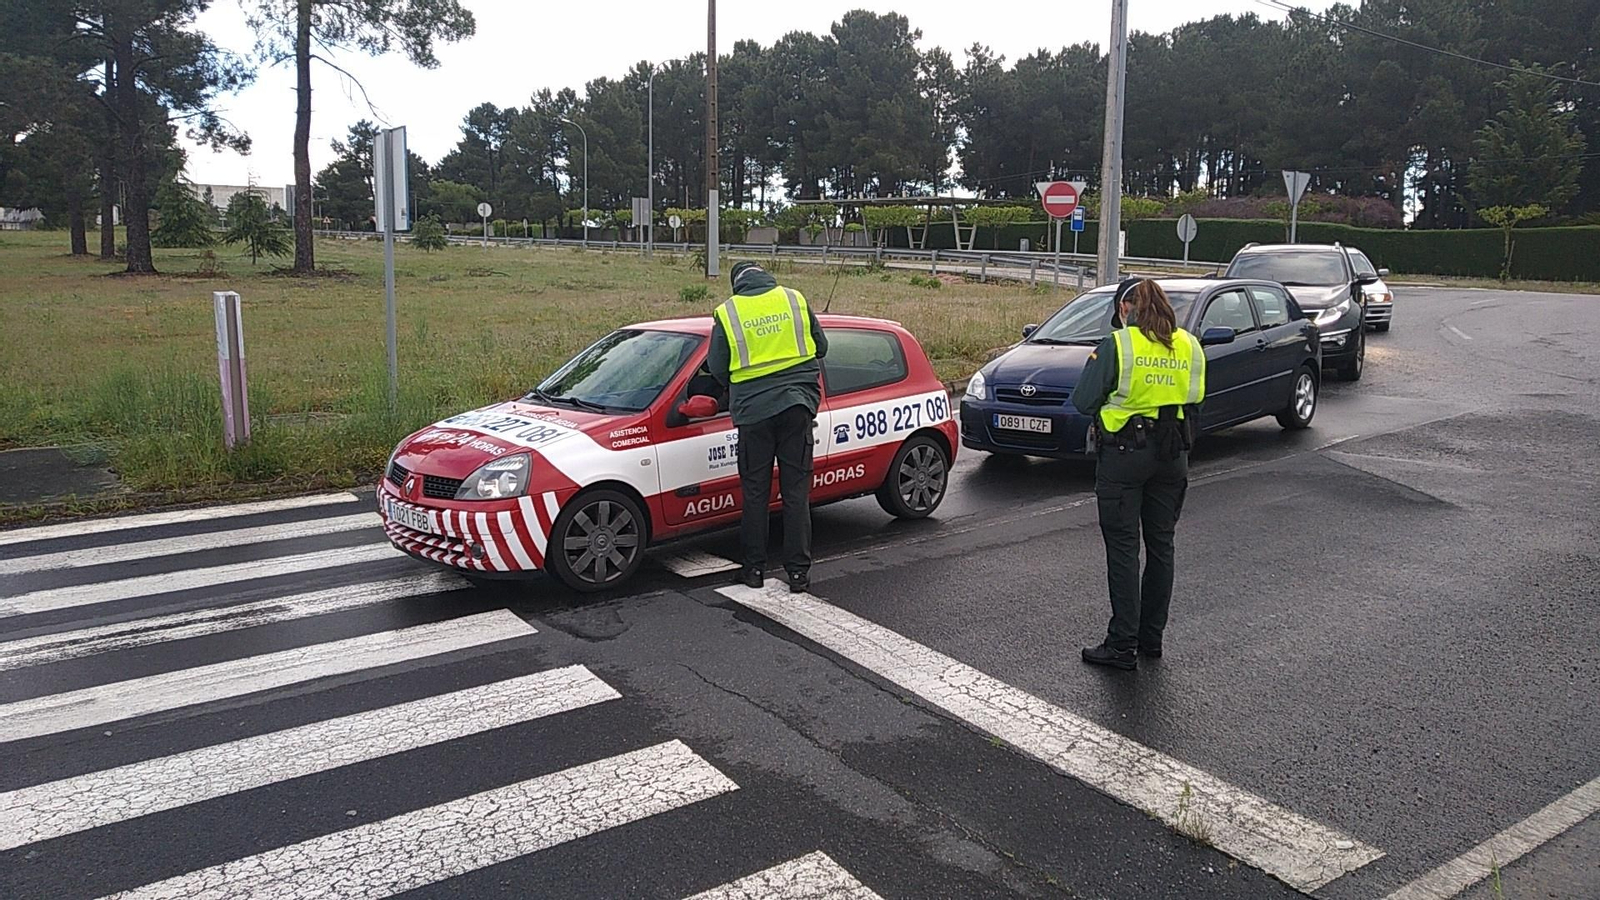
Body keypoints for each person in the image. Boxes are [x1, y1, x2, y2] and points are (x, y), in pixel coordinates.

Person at [1070, 279, 1207, 670]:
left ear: (1128, 309)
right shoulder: (1190, 346)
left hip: (1126, 455)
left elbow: (1083, 400)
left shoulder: (1120, 344)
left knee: (1124, 548)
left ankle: (1122, 644)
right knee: (1162, 545)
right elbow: (1195, 398)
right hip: (1172, 453)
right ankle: (1152, 639)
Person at [709, 261, 829, 593]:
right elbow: (821, 347)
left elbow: (718, 367)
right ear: (766, 275)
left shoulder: (728, 312)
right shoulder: (794, 298)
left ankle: (753, 570)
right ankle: (798, 574)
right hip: (797, 408)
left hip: (753, 414)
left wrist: (741, 384)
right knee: (795, 493)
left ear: (737, 284)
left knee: (756, 493)